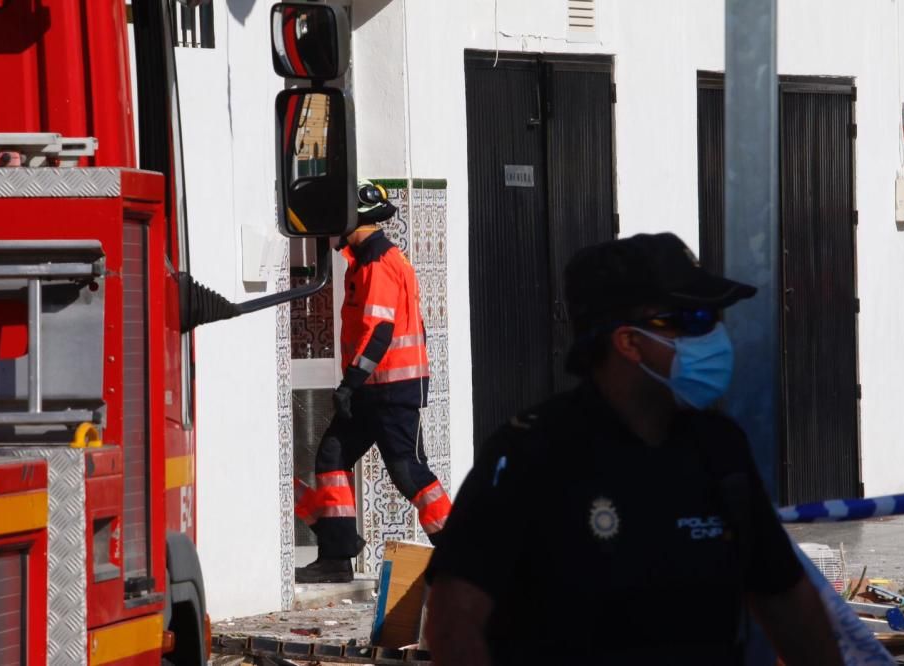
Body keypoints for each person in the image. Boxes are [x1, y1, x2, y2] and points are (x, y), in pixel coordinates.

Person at [424, 233, 842, 665]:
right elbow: (454, 622)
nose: (715, 335)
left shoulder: (719, 449)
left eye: (716, 317)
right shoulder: (532, 455)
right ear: (629, 342)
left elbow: (788, 604)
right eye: (695, 318)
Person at [294, 180, 451, 584]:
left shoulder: (379, 263)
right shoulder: (364, 261)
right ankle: (337, 554)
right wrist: (356, 385)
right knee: (331, 458)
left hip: (392, 390)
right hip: (371, 389)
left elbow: (379, 331)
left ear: (352, 220)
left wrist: (350, 382)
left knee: (408, 474)